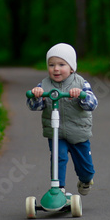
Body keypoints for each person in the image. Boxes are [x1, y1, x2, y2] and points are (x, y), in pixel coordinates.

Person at [27, 43, 98, 195]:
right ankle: (58, 190)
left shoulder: (81, 83)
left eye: (61, 64)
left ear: (72, 67)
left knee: (85, 168)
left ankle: (85, 180)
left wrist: (81, 95)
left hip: (79, 132)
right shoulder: (44, 85)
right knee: (58, 159)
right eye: (51, 65)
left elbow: (92, 104)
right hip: (56, 133)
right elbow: (34, 107)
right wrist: (36, 95)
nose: (56, 69)